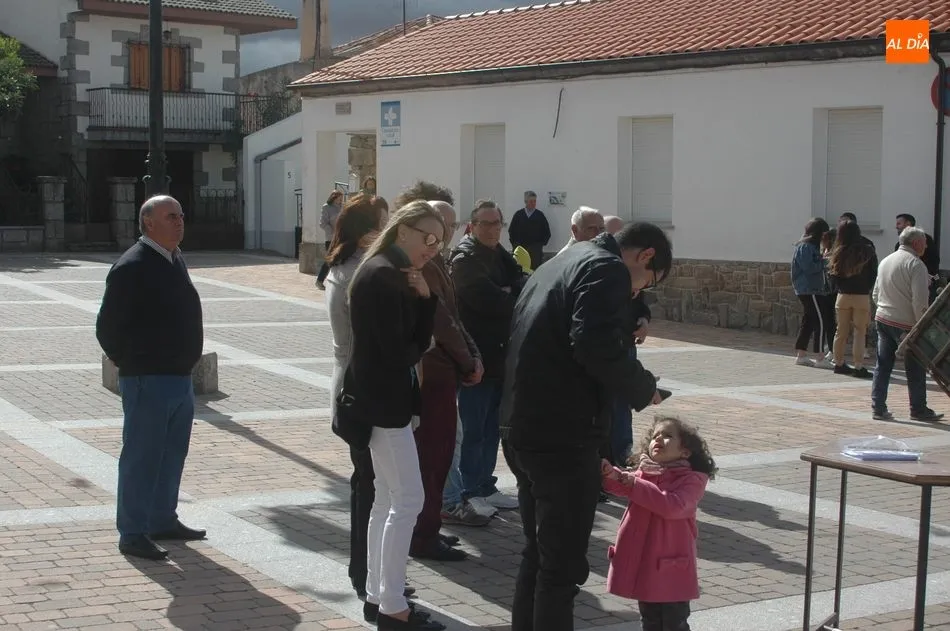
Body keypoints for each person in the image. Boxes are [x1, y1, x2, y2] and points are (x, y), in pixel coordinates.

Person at [500, 222, 672, 631]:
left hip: (522, 426)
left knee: (539, 555)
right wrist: (643, 387)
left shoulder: (564, 259)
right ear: (645, 255)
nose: (639, 292)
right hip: (561, 435)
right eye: (648, 281)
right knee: (561, 566)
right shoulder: (606, 268)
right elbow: (595, 345)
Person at [346, 200, 446, 630]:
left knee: (388, 499)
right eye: (428, 238)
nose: (433, 248)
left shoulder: (385, 270)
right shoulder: (384, 275)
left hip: (381, 402)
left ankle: (380, 597)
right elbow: (403, 351)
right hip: (384, 405)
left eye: (439, 242)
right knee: (408, 500)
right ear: (403, 230)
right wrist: (425, 305)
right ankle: (391, 606)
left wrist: (423, 300)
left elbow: (402, 347)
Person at [95, 195, 205, 561]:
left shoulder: (174, 259)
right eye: (171, 216)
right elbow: (108, 328)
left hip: (179, 378)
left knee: (172, 454)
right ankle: (132, 532)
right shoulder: (132, 266)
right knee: (142, 457)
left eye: (181, 214)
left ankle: (161, 519)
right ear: (148, 223)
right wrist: (133, 362)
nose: (179, 221)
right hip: (148, 379)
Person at [412, 196, 489, 560]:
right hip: (433, 373)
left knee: (442, 454)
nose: (447, 232)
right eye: (442, 225)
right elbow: (441, 321)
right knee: (432, 456)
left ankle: (430, 527)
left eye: (452, 225)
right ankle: (423, 534)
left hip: (446, 371)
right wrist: (467, 359)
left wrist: (473, 356)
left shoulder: (438, 261)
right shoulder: (423, 266)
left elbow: (454, 318)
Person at [323, 193, 390, 598]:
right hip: (361, 388)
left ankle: (366, 570)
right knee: (373, 486)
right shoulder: (359, 274)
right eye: (384, 223)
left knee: (369, 482)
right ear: (367, 232)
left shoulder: (344, 266)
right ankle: (368, 575)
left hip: (350, 383)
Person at [600, 416, 716, 631]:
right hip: (645, 565)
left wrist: (635, 484)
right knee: (650, 621)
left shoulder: (693, 479)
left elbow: (674, 506)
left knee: (674, 622)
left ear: (685, 452)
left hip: (671, 567)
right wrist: (612, 475)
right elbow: (625, 484)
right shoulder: (646, 472)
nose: (659, 439)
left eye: (668, 435)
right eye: (655, 436)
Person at [449, 200, 527, 515]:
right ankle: (469, 489)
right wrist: (507, 293)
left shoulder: (500, 255)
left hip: (500, 357)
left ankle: (485, 485)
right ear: (472, 226)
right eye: (486, 224)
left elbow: (522, 284)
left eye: (497, 223)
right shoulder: (465, 258)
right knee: (473, 429)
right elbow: (487, 299)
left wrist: (510, 290)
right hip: (477, 358)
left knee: (493, 427)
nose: (493, 230)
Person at [871, 227, 944, 422]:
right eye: (924, 243)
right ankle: (918, 409)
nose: (926, 247)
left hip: (883, 318)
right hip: (905, 323)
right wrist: (922, 326)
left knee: (883, 365)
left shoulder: (886, 261)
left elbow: (876, 294)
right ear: (917, 243)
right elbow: (920, 302)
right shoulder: (916, 265)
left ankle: (878, 407)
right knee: (916, 367)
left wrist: (885, 309)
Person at [828, 220, 877, 378]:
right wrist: (866, 288)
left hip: (842, 295)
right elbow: (873, 274)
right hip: (861, 295)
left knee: (840, 331)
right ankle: (858, 366)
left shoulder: (838, 251)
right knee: (860, 332)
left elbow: (833, 276)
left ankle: (838, 363)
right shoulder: (867, 250)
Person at [791, 218, 834, 368]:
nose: (825, 237)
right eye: (824, 233)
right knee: (820, 322)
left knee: (808, 321)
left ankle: (801, 355)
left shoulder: (810, 247)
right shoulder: (805, 247)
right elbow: (809, 268)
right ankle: (820, 357)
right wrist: (825, 262)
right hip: (809, 290)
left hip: (812, 289)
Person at [895, 213, 940, 304]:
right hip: (906, 287)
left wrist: (927, 278)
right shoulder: (898, 245)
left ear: (908, 224)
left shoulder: (925, 239)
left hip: (926, 285)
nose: (896, 227)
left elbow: (934, 261)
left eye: (899, 223)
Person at [508, 191, 551, 270]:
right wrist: (515, 244)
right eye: (531, 201)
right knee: (520, 270)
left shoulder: (539, 215)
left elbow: (547, 232)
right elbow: (511, 230)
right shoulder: (518, 214)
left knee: (535, 270)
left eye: (535, 201)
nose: (533, 203)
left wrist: (540, 244)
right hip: (520, 248)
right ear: (525, 201)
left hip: (535, 250)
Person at [316, 190, 345, 290]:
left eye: (342, 198)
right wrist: (333, 232)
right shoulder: (326, 207)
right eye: (339, 198)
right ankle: (319, 281)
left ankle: (338, 282)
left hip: (342, 238)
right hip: (331, 239)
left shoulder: (343, 207)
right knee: (330, 260)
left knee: (342, 259)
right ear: (333, 198)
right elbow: (322, 223)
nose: (341, 200)